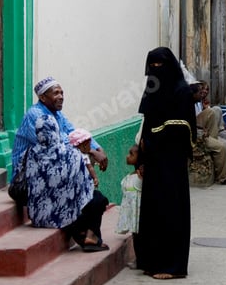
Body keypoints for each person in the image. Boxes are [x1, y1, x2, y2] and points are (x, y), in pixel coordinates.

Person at [137, 47, 197, 279]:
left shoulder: (181, 92)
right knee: (153, 210)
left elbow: (183, 127)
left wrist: (154, 140)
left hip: (171, 162)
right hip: (153, 160)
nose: (156, 69)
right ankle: (152, 261)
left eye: (160, 64)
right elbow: (147, 124)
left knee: (171, 209)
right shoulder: (152, 90)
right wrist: (141, 157)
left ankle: (172, 266)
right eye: (152, 65)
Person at [25, 112, 110, 251]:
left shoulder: (30, 153)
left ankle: (83, 233)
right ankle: (90, 237)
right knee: (98, 199)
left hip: (38, 217)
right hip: (62, 218)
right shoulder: (70, 153)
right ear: (56, 130)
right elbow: (85, 187)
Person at [11, 77, 108, 180]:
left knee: (82, 158)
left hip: (47, 165)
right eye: (56, 93)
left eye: (62, 93)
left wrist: (99, 149)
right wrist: (92, 151)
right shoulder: (36, 115)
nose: (61, 97)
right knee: (80, 157)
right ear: (43, 98)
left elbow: (73, 132)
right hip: (25, 175)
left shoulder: (57, 113)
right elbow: (58, 144)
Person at [191, 82, 226, 185]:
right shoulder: (187, 104)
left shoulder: (199, 103)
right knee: (222, 146)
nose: (202, 94)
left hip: (203, 132)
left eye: (205, 91)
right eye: (200, 93)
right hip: (194, 135)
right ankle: (223, 177)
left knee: (214, 110)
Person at [116, 144, 143, 269]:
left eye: (131, 154)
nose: (127, 156)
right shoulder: (132, 175)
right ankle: (139, 259)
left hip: (139, 214)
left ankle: (141, 260)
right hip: (132, 213)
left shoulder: (140, 176)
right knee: (135, 237)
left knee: (140, 237)